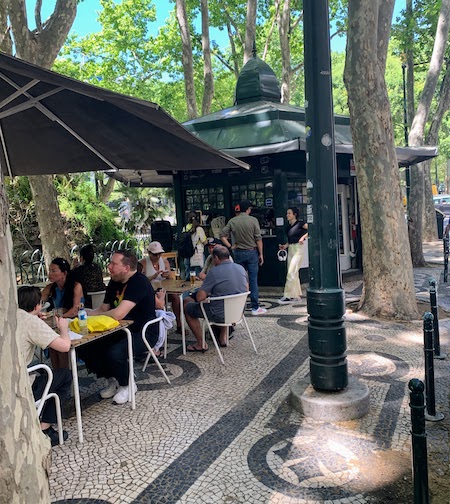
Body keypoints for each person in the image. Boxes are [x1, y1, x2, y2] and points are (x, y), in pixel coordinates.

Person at [79, 250, 159, 404]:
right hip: (120, 330)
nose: (109, 267)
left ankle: (127, 385)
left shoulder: (139, 282)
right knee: (86, 346)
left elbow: (118, 314)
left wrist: (99, 316)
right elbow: (103, 309)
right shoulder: (114, 282)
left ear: (126, 268)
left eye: (113, 264)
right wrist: (84, 314)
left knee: (115, 353)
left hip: (143, 332)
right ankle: (113, 379)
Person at [17, 286, 72, 446]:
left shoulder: (12, 316)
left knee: (44, 371)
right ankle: (44, 428)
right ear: (37, 306)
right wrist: (64, 329)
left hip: (16, 374)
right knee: (65, 376)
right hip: (22, 382)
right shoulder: (31, 321)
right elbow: (64, 346)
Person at [184, 245, 248, 350]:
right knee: (224, 301)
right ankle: (223, 337)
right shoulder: (241, 269)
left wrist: (210, 292)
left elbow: (200, 297)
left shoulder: (214, 272)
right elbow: (246, 289)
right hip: (238, 312)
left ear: (216, 258)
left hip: (219, 314)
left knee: (187, 307)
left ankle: (201, 344)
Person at [220, 199, 267, 315]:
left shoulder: (233, 221)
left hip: (238, 252)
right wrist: (261, 254)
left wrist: (230, 246)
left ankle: (238, 307)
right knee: (253, 279)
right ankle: (255, 307)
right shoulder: (253, 220)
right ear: (248, 209)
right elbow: (258, 238)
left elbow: (222, 235)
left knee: (239, 279)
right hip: (252, 252)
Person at [41, 257, 83, 368]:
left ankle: (64, 373)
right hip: (59, 322)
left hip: (76, 322)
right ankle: (58, 372)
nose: (50, 274)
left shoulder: (76, 286)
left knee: (56, 337)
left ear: (64, 273)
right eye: (49, 270)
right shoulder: (50, 288)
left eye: (53, 271)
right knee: (53, 339)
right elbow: (37, 302)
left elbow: (74, 311)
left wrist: (57, 317)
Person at [140, 241, 183, 334]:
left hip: (163, 290)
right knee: (159, 304)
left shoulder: (164, 261)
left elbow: (171, 280)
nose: (158, 256)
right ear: (149, 253)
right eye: (155, 254)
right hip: (150, 292)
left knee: (176, 298)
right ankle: (159, 330)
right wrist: (153, 276)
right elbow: (140, 281)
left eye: (159, 254)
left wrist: (167, 275)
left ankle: (179, 324)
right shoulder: (143, 263)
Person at [278, 207, 308, 304]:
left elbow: (311, 229)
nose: (287, 215)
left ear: (294, 214)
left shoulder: (300, 224)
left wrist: (303, 237)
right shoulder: (288, 227)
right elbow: (290, 240)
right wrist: (284, 246)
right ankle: (296, 295)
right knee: (293, 272)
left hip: (298, 249)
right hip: (291, 248)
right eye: (287, 213)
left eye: (289, 213)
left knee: (291, 272)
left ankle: (288, 295)